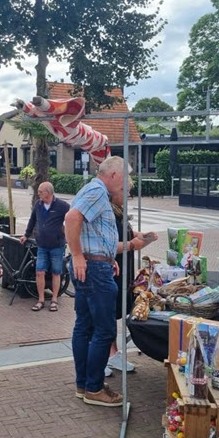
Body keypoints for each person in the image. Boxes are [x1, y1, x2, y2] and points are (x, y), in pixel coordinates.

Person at [65, 155, 128, 407]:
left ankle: (84, 384)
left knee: (85, 325)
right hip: (93, 268)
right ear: (113, 174)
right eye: (124, 178)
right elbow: (71, 219)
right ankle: (93, 387)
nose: (125, 183)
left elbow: (89, 229)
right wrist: (80, 255)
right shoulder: (97, 190)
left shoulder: (94, 190)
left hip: (94, 264)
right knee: (104, 329)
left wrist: (105, 255)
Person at [106, 183, 157, 376]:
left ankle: (112, 353)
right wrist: (130, 244)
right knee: (106, 316)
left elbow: (125, 233)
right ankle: (104, 356)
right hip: (112, 269)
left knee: (114, 313)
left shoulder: (119, 211)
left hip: (122, 269)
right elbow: (106, 244)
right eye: (125, 191)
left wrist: (142, 236)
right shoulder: (107, 212)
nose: (128, 194)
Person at [20, 182, 70, 312]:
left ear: (48, 192)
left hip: (57, 246)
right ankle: (41, 300)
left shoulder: (62, 206)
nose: (38, 193)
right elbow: (32, 220)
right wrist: (26, 235)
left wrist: (68, 233)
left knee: (56, 272)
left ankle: (54, 300)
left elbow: (72, 219)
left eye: (41, 191)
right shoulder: (38, 204)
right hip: (42, 245)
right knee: (39, 271)